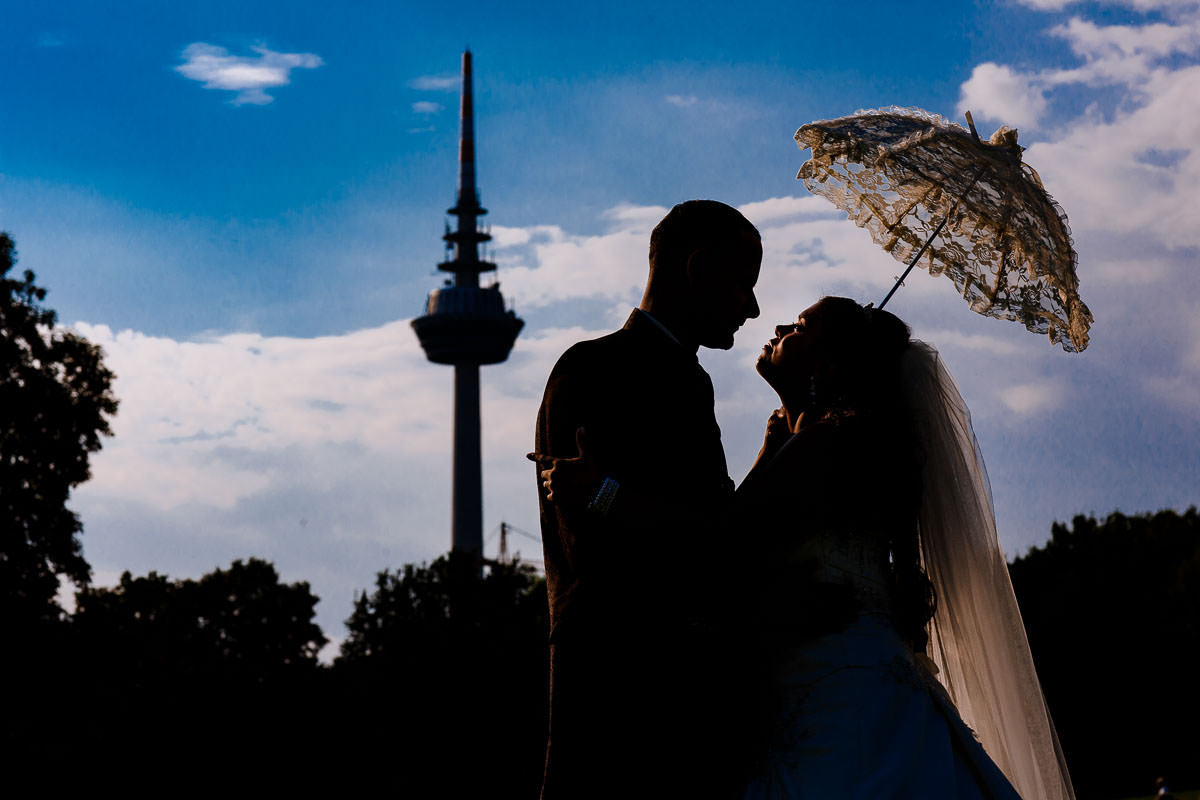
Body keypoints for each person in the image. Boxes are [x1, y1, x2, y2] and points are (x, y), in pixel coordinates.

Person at [737, 296, 1075, 800]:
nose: (781, 325)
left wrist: (775, 441)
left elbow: (731, 541)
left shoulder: (824, 446)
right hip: (866, 671)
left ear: (828, 364)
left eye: (801, 326)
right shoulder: (861, 445)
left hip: (829, 681)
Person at [530, 200, 763, 799]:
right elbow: (603, 552)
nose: (754, 307)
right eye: (744, 283)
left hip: (673, 703)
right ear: (698, 266)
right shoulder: (593, 370)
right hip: (619, 701)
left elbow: (715, 525)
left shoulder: (686, 378)